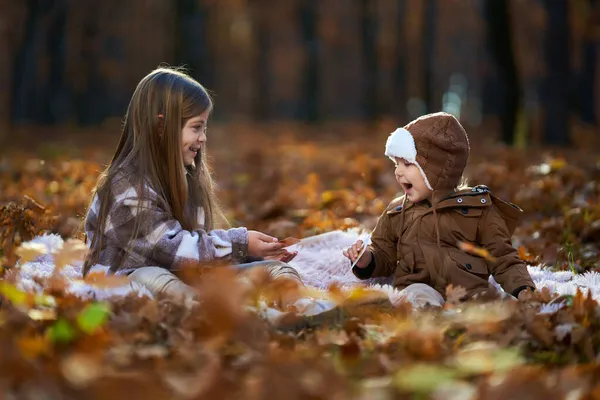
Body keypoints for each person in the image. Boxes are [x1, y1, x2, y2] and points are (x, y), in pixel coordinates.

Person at [82, 66, 317, 312]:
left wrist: (254, 256)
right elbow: (172, 248)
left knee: (276, 271)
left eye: (204, 128)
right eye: (196, 127)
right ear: (162, 127)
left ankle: (303, 311)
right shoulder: (125, 186)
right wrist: (240, 243)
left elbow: (198, 250)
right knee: (154, 279)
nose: (203, 138)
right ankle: (232, 316)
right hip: (126, 283)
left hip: (184, 277)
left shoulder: (185, 176)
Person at [343, 112, 535, 307]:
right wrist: (366, 259)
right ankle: (427, 322)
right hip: (419, 289)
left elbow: (503, 257)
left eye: (408, 164)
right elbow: (384, 253)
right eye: (397, 163)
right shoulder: (397, 211)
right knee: (416, 297)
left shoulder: (478, 210)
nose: (398, 171)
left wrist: (524, 290)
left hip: (468, 293)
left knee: (489, 306)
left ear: (437, 169)